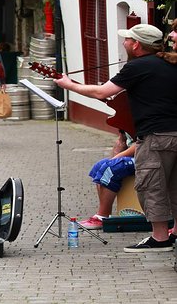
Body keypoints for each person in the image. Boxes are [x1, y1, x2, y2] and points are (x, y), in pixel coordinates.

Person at [54, 23, 177, 253]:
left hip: (155, 136)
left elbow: (103, 92)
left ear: (136, 44)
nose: (124, 43)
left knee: (152, 186)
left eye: (127, 39)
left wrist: (68, 85)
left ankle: (160, 238)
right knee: (174, 186)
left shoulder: (137, 66)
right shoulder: (170, 62)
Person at [78, 137, 136, 230]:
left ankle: (102, 216)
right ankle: (102, 215)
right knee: (100, 165)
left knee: (110, 169)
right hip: (132, 155)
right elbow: (122, 141)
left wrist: (115, 159)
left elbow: (141, 144)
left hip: (147, 157)